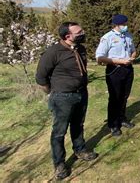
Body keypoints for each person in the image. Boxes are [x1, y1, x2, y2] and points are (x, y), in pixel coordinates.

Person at [36, 22, 98, 180]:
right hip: (63, 98)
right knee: (59, 132)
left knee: (78, 124)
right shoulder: (53, 52)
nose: (83, 32)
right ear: (67, 36)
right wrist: (54, 92)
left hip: (81, 94)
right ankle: (59, 164)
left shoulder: (80, 48)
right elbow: (41, 77)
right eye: (79, 32)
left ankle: (80, 150)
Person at [96, 14, 137, 137]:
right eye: (123, 24)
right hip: (115, 70)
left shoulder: (128, 35)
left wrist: (132, 57)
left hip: (128, 69)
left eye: (126, 24)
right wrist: (120, 61)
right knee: (115, 98)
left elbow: (133, 50)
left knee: (124, 96)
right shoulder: (107, 37)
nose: (126, 26)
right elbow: (99, 57)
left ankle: (122, 118)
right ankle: (113, 124)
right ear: (116, 25)